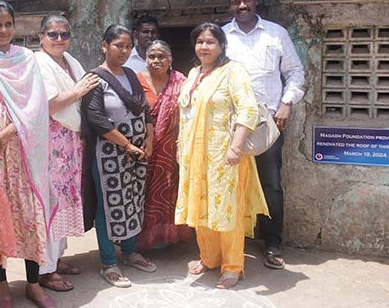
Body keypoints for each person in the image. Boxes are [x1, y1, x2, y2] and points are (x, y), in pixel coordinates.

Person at [0, 0, 56, 308]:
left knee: (30, 217)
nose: (3, 30)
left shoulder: (27, 59)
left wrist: (6, 133)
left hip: (24, 152)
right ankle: (2, 287)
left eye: (8, 24)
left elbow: (37, 106)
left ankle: (33, 284)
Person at [176, 23, 269, 289]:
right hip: (194, 155)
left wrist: (235, 147)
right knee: (201, 206)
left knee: (226, 210)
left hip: (224, 155)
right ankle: (209, 257)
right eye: (200, 42)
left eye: (210, 42)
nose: (204, 47)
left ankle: (232, 265)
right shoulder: (193, 74)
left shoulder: (233, 71)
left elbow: (248, 110)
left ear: (221, 46)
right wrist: (181, 148)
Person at [222, 0, 305, 270]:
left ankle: (272, 244)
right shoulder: (222, 37)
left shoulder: (275, 33)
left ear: (255, 0)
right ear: (229, 4)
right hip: (230, 129)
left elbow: (295, 73)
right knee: (232, 185)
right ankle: (234, 243)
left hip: (268, 125)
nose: (241, 5)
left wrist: (286, 103)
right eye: (235, 1)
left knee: (270, 184)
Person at [81, 24, 156, 288]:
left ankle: (130, 251)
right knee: (109, 205)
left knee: (133, 199)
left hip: (137, 151)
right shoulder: (95, 79)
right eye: (118, 46)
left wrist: (148, 138)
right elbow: (97, 119)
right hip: (108, 154)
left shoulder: (132, 76)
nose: (124, 51)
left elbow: (145, 109)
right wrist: (126, 144)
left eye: (128, 46)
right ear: (104, 45)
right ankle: (109, 261)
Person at [33, 15, 100, 292]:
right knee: (50, 204)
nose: (59, 39)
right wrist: (77, 91)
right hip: (51, 143)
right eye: (53, 34)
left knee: (66, 201)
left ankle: (57, 259)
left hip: (71, 143)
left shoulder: (71, 62)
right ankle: (44, 270)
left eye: (64, 34)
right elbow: (48, 105)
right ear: (41, 37)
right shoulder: (39, 63)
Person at [135, 40, 192, 251]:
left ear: (170, 60)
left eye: (161, 57)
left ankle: (165, 238)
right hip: (142, 147)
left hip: (171, 149)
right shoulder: (136, 80)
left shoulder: (181, 81)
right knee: (141, 193)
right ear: (145, 59)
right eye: (152, 56)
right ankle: (140, 240)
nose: (156, 60)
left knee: (168, 191)